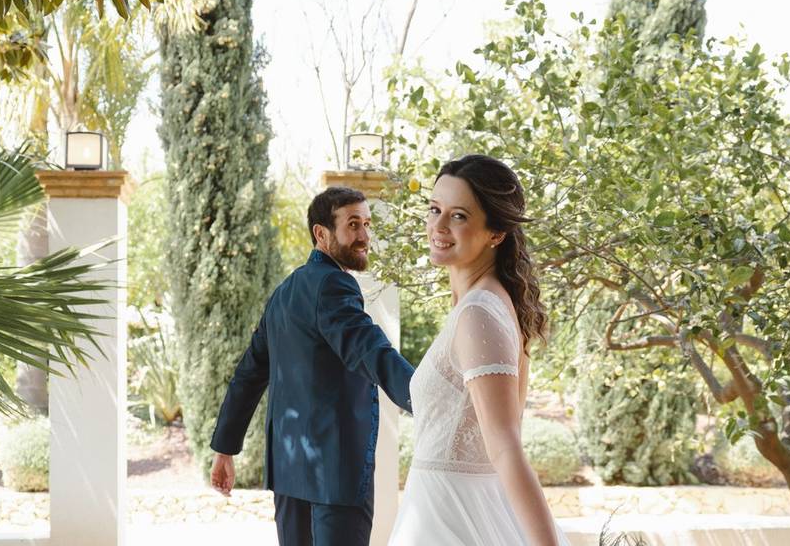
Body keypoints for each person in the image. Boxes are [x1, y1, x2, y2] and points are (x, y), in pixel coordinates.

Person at [208, 186, 414, 546]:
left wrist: (225, 447)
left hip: (290, 473)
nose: (365, 235)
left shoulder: (284, 293)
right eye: (353, 224)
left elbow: (249, 374)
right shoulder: (334, 284)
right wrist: (425, 395)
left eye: (367, 223)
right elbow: (368, 348)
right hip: (334, 474)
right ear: (321, 233)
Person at [388, 154, 570, 546]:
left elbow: (505, 444)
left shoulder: (478, 313)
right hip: (441, 512)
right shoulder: (485, 303)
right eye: (434, 209)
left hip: (453, 519)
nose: (437, 226)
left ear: (496, 233)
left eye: (458, 216)